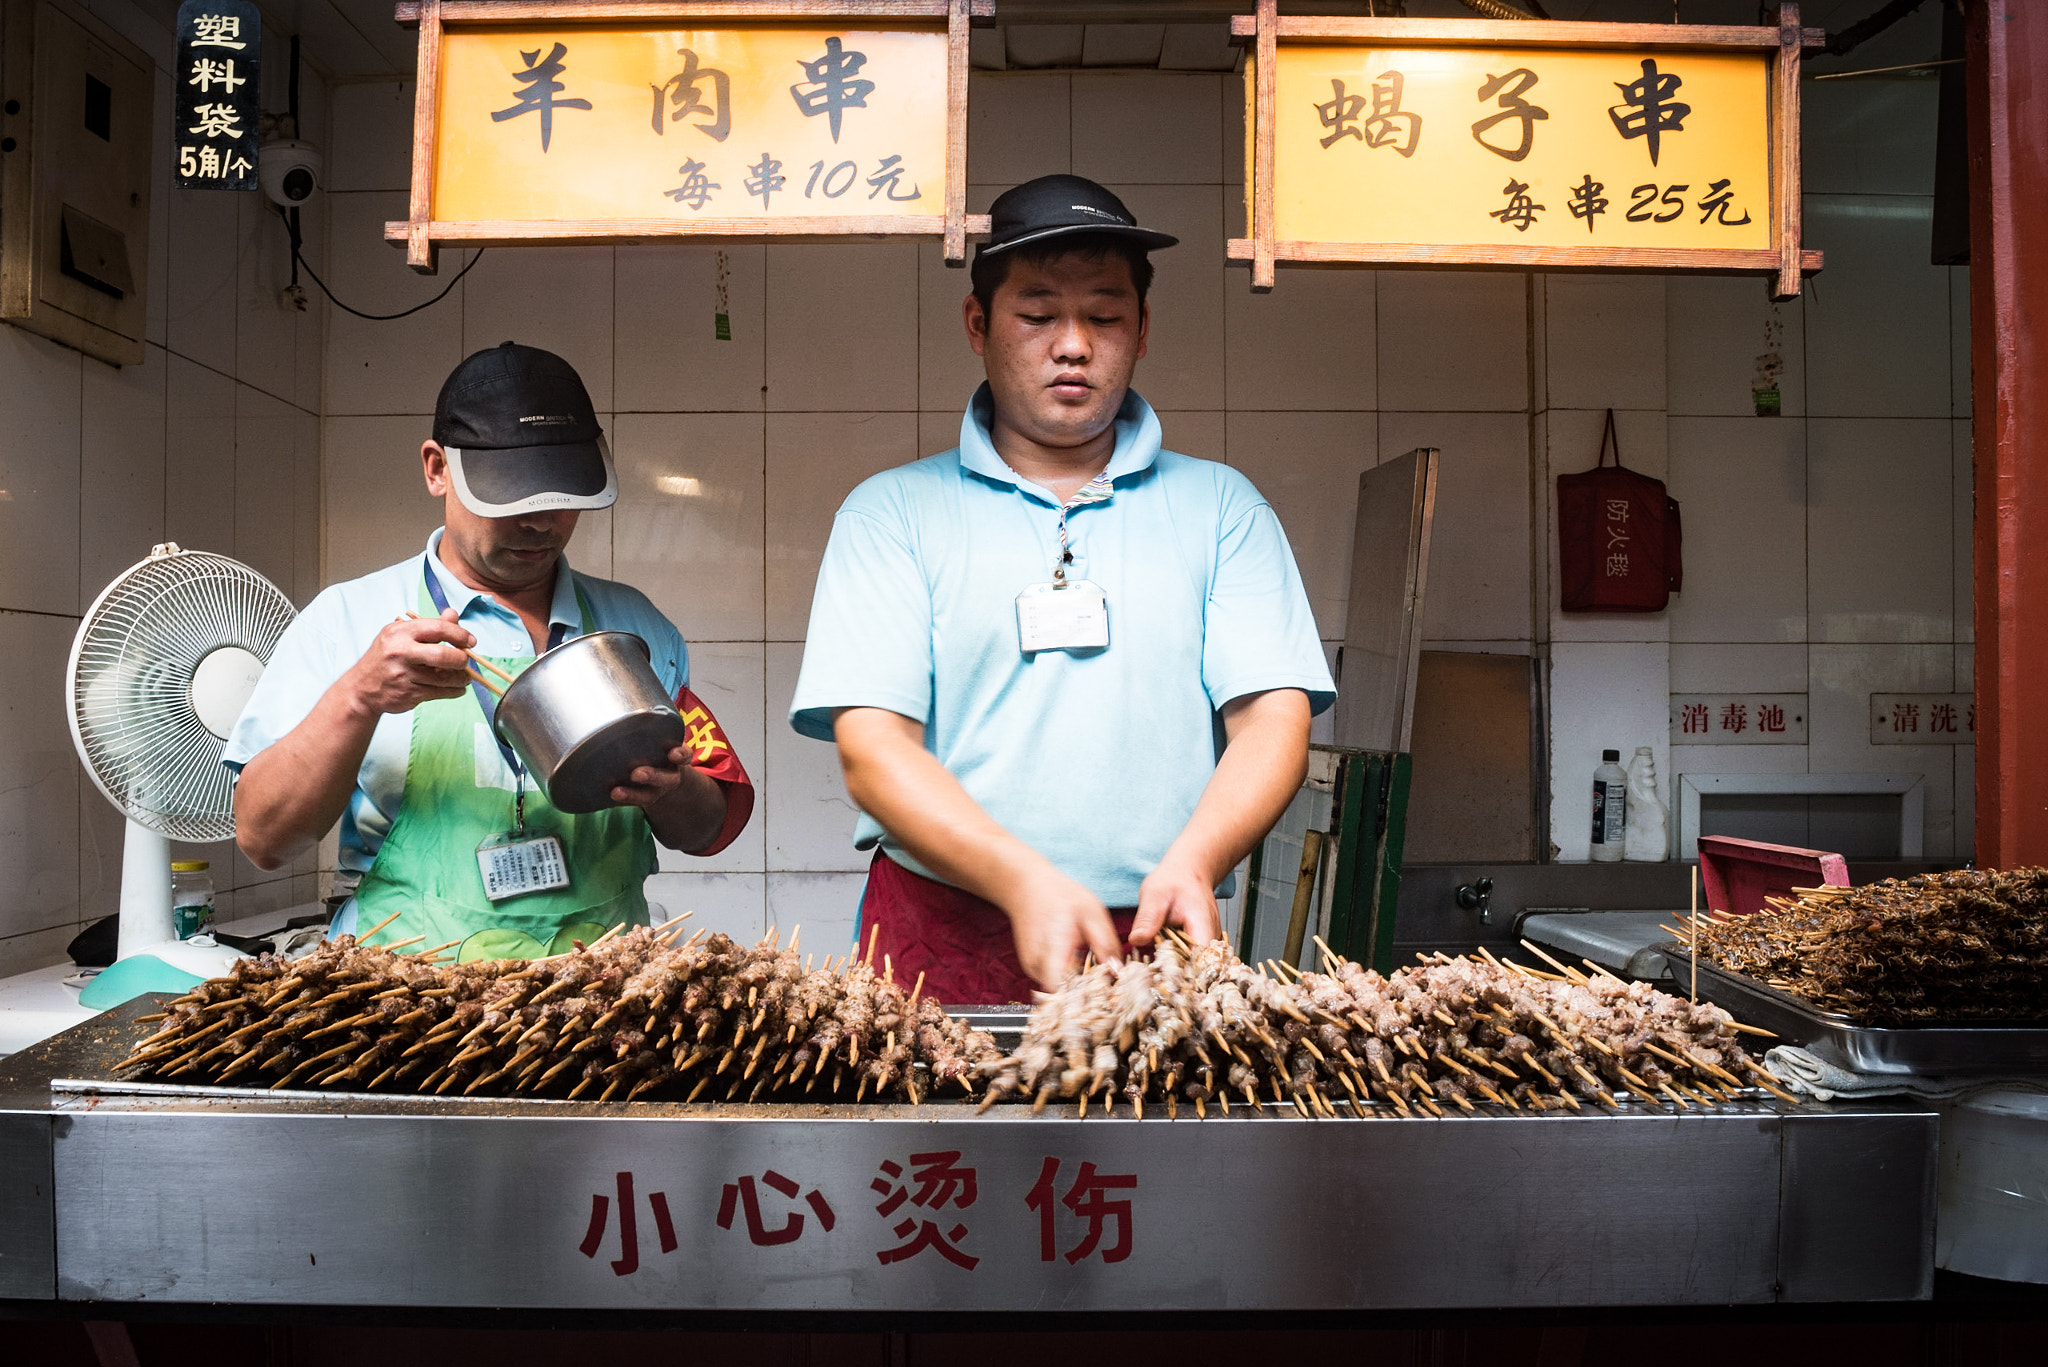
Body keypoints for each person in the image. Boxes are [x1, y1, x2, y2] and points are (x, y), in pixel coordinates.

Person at [790, 175, 1334, 1002]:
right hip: (942, 936)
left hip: (1157, 937)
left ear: (1142, 331)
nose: (1073, 343)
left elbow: (1272, 721)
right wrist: (1019, 878)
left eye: (1105, 316)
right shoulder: (890, 512)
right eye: (1038, 315)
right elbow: (874, 750)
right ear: (979, 325)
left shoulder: (1223, 506)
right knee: (931, 1138)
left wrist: (1198, 858)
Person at [227, 342, 752, 958]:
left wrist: (669, 786)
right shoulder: (344, 622)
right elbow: (264, 839)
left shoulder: (634, 629)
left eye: (560, 500)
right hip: (408, 1003)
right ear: (436, 469)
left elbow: (708, 827)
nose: (539, 523)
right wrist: (359, 697)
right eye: (511, 499)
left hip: (607, 1005)